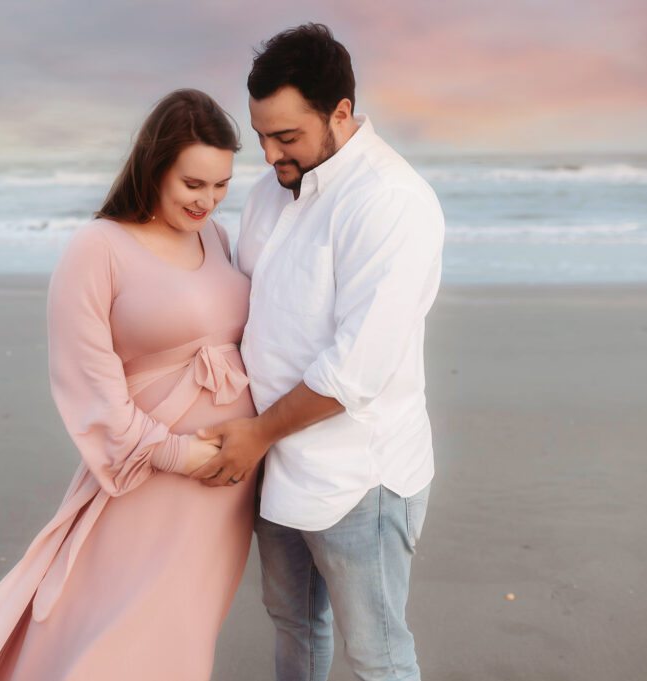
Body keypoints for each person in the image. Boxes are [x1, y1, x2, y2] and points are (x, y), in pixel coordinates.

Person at [0, 89, 257, 681]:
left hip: (224, 489)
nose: (207, 201)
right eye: (193, 184)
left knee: (182, 632)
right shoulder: (98, 247)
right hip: (150, 477)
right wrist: (177, 452)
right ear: (155, 165)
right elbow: (88, 381)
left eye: (220, 186)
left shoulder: (213, 238)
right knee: (115, 631)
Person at [193, 24, 445, 681]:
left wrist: (255, 433)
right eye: (262, 137)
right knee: (297, 627)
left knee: (377, 653)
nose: (272, 154)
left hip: (360, 475)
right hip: (278, 464)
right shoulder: (269, 191)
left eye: (287, 136)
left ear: (341, 111)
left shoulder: (391, 202)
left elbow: (354, 369)